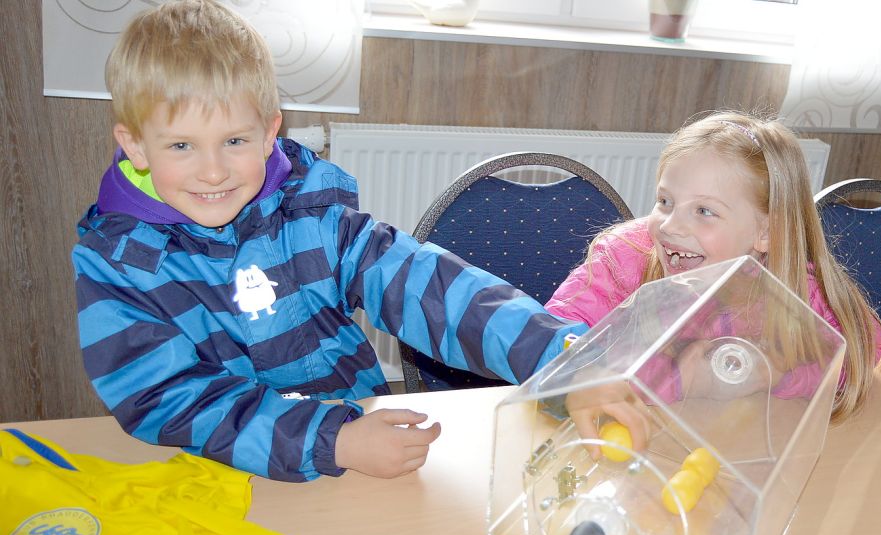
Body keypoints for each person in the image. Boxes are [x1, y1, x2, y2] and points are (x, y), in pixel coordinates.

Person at [72, 0, 585, 483]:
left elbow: (431, 286)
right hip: (219, 476)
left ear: (270, 133)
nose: (212, 171)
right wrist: (329, 440)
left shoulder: (315, 215)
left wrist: (561, 352)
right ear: (135, 144)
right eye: (182, 145)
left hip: (356, 448)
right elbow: (166, 398)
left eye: (234, 141)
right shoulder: (116, 264)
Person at [546, 110, 881, 456]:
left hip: (730, 457)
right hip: (623, 458)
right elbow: (555, 350)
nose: (669, 227)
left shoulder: (793, 283)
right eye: (665, 202)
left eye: (704, 211)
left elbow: (863, 351)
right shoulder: (624, 260)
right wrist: (678, 379)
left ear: (765, 232)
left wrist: (777, 374)